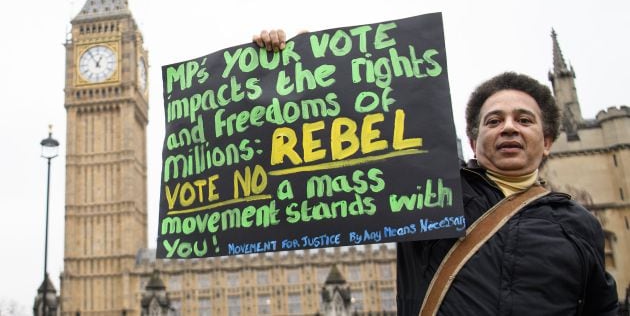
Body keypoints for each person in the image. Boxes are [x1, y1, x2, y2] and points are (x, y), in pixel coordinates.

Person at [253, 31, 619, 315]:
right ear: (474, 142)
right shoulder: (428, 193)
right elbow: (338, 139)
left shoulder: (579, 223)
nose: (509, 128)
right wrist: (300, 64)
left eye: (524, 120)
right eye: (494, 120)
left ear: (549, 141)